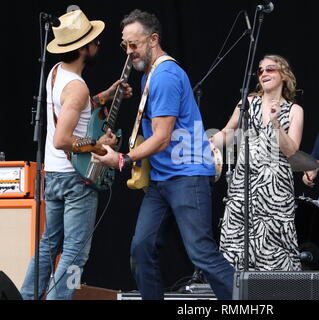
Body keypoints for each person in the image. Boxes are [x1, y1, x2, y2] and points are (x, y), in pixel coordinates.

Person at [92, 9, 235, 300]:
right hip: (162, 179)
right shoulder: (149, 77)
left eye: (134, 45)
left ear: (153, 39)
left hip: (187, 175)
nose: (129, 52)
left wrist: (122, 159)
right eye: (125, 46)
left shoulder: (166, 76)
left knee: (202, 254)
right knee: (141, 249)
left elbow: (161, 137)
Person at [20, 10, 132, 300]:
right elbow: (63, 139)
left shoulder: (57, 71)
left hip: (54, 175)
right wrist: (99, 146)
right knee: (76, 252)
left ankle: (26, 296)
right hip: (75, 179)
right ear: (82, 48)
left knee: (48, 244)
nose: (98, 46)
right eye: (94, 42)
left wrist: (104, 96)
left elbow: (74, 110)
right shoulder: (77, 87)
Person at [211, 55, 304, 271]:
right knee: (235, 246)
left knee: (274, 251)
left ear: (283, 74)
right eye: (260, 70)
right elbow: (226, 133)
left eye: (270, 69)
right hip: (243, 184)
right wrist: (204, 145)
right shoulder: (247, 103)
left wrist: (274, 122)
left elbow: (291, 149)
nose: (263, 73)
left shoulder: (294, 110)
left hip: (275, 190)